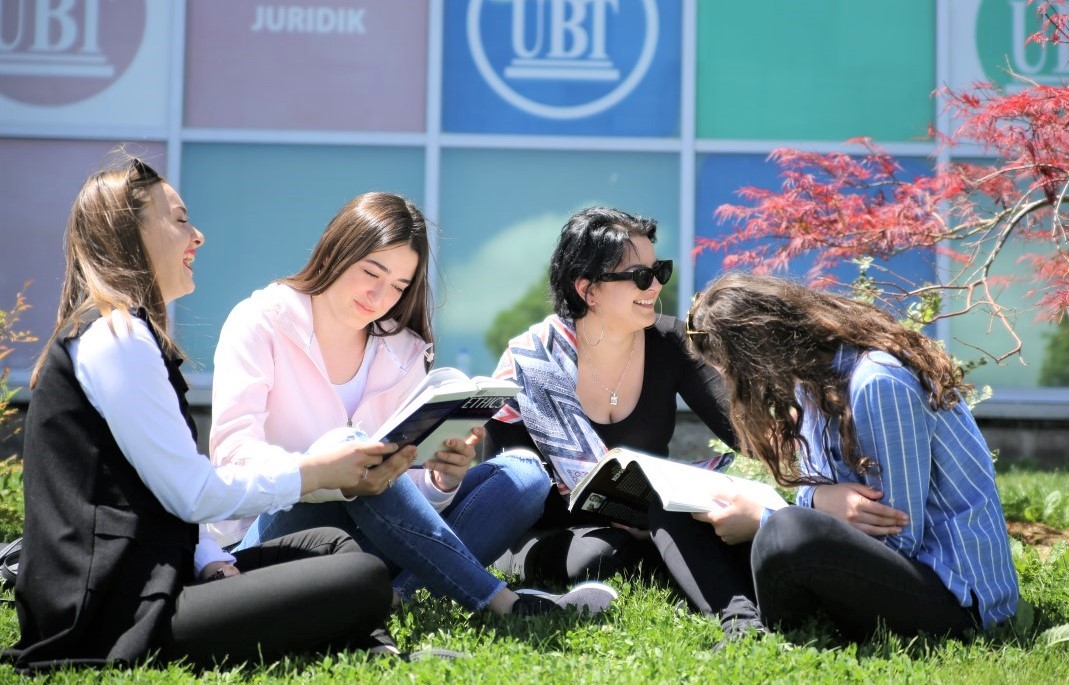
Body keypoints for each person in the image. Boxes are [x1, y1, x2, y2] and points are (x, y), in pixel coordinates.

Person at [4, 157, 395, 670]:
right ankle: (366, 642)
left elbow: (163, 492)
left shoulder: (124, 334)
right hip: (117, 613)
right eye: (181, 218)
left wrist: (211, 560)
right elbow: (191, 493)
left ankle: (365, 642)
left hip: (162, 575)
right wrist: (313, 473)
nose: (199, 236)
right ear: (131, 230)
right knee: (361, 576)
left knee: (332, 546)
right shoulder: (114, 338)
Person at [208, 192, 616, 618]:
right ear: (335, 250)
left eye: (399, 286)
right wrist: (325, 471)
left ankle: (395, 595)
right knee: (356, 451)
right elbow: (233, 461)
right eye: (372, 272)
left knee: (526, 477)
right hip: (271, 540)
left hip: (372, 542)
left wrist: (440, 480)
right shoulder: (261, 321)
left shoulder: (402, 350)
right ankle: (503, 602)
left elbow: (403, 494)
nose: (380, 296)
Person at [682, 272, 1020, 640]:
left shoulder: (878, 382)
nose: (734, 387)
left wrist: (764, 519)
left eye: (733, 373)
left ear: (760, 355)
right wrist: (818, 498)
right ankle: (743, 620)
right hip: (883, 570)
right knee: (694, 513)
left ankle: (765, 633)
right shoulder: (813, 381)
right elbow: (821, 496)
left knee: (784, 531)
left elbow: (898, 537)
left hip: (951, 597)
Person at [485, 207, 753, 624]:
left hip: (650, 518)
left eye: (658, 270)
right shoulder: (533, 360)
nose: (656, 285)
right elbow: (504, 481)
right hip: (549, 529)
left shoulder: (671, 342)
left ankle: (677, 553)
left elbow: (742, 430)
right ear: (588, 290)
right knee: (601, 554)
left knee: (702, 524)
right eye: (640, 276)